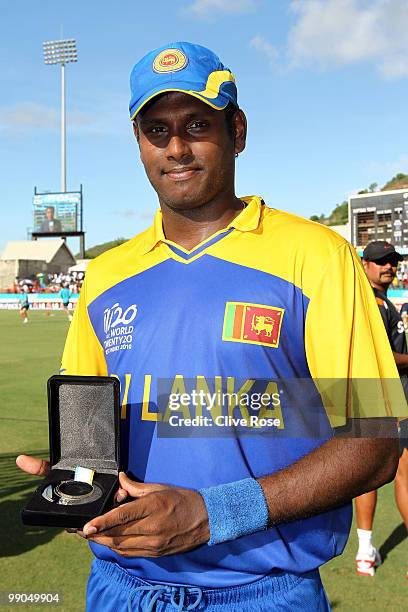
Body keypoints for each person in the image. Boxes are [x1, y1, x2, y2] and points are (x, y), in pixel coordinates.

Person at [17, 42, 407, 611]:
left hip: (263, 595)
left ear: (238, 131)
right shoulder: (104, 276)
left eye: (197, 124)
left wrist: (213, 516)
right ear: (139, 143)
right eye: (157, 130)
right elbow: (88, 436)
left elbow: (375, 439)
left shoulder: (317, 256)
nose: (176, 148)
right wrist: (78, 483)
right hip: (122, 589)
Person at [355, 241, 408, 577]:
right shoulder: (373, 303)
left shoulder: (380, 301)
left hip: (372, 395)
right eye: (381, 262)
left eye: (392, 261)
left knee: (371, 473)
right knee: (402, 474)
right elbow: (382, 356)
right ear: (365, 264)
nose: (388, 266)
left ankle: (364, 553)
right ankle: (363, 550)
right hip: (385, 396)